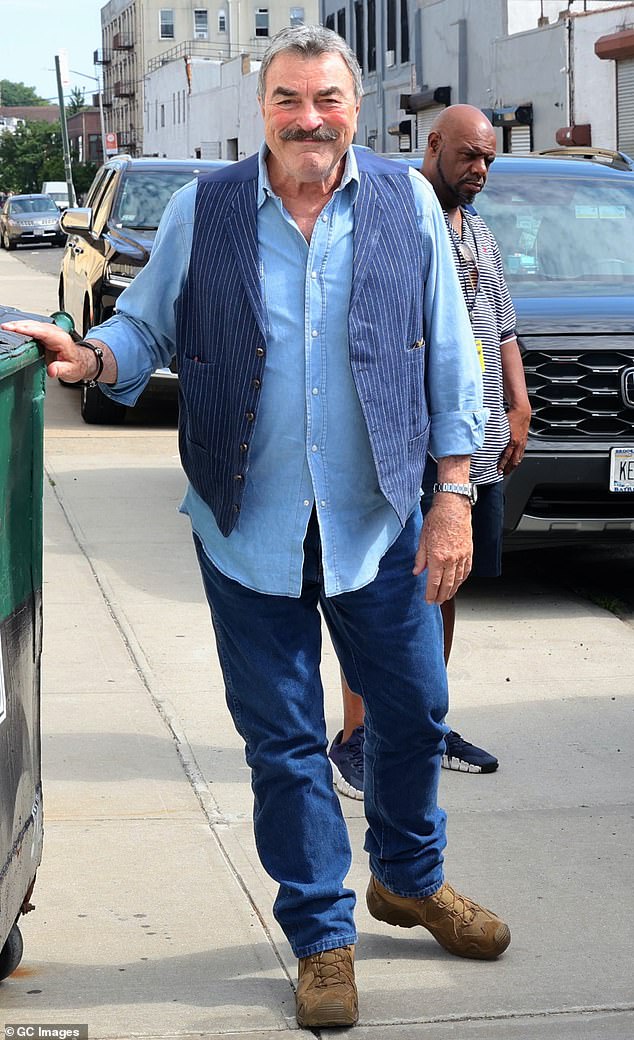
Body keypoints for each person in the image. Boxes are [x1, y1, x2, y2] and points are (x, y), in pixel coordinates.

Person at [2, 31, 511, 1030]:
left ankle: (407, 876)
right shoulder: (210, 208)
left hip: (378, 520)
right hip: (247, 521)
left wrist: (453, 490)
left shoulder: (406, 203)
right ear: (262, 107)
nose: (308, 118)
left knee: (410, 716)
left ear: (356, 107)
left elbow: (451, 354)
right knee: (282, 742)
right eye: (288, 99)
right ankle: (320, 933)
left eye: (326, 98)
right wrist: (95, 356)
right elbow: (145, 325)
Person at [329, 105, 531, 798]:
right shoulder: (395, 222)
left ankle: (423, 722)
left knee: (444, 584)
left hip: (469, 446)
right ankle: (358, 735)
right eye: (470, 157)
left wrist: (518, 402)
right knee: (376, 590)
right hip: (407, 438)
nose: (479, 171)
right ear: (434, 144)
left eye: (489, 161)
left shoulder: (477, 231)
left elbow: (501, 326)